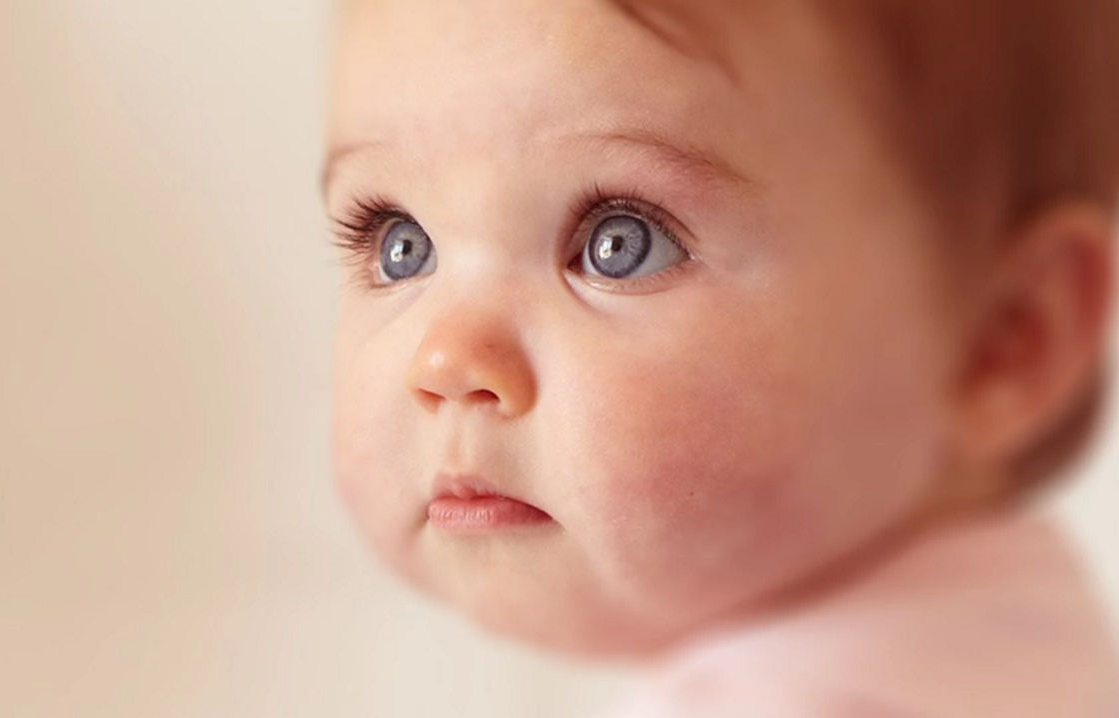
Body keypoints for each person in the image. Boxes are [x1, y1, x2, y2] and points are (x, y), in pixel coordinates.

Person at [321, 0, 1119, 713]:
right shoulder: (1028, 650)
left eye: (618, 244)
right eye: (400, 245)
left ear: (1002, 341)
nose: (445, 362)